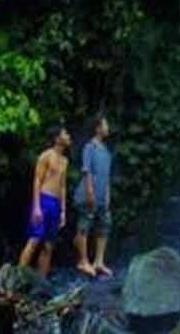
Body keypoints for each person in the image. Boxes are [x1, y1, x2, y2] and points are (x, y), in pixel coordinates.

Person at [18, 125, 70, 276]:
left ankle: (41, 282)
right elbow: (37, 181)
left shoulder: (65, 160)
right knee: (34, 241)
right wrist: (36, 207)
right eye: (65, 133)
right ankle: (17, 279)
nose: (68, 136)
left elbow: (63, 186)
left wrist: (63, 211)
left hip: (55, 203)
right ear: (57, 138)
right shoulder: (46, 156)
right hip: (43, 200)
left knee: (49, 245)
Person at [74, 112, 114, 279]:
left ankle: (99, 261)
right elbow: (86, 171)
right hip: (87, 194)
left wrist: (107, 195)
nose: (108, 127)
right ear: (98, 128)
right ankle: (83, 261)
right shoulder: (89, 147)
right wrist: (90, 192)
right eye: (105, 124)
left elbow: (107, 176)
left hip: (102, 195)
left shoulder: (106, 151)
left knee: (105, 224)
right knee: (84, 225)